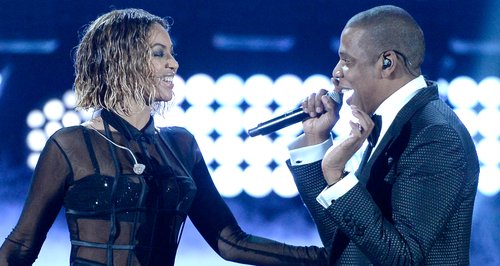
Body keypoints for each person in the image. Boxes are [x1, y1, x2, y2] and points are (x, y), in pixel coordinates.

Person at [0, 8, 327, 266]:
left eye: (171, 53)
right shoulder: (70, 145)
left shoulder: (181, 145)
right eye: (159, 53)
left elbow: (230, 242)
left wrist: (328, 259)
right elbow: (21, 247)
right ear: (121, 60)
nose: (174, 63)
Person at [286, 5, 479, 265]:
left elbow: (403, 258)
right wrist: (316, 141)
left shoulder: (435, 135)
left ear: (387, 63)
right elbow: (342, 242)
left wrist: (336, 174)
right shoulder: (394, 123)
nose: (336, 74)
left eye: (347, 61)